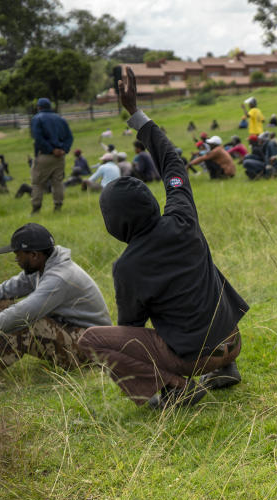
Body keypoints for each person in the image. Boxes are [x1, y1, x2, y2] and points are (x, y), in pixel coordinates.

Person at [79, 67, 248, 410]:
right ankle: (226, 365)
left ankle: (176, 388)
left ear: (115, 223)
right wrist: (135, 113)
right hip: (233, 338)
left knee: (90, 339)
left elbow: (131, 330)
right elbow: (173, 162)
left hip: (193, 359)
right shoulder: (182, 216)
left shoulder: (127, 266)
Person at [0, 223, 111, 370]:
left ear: (34, 255)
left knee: (27, 323)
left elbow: (23, 313)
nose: (17, 260)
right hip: (71, 331)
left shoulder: (59, 278)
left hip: (94, 348)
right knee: (3, 303)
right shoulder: (41, 266)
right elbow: (8, 289)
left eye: (18, 255)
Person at [29, 97, 73, 215]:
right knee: (57, 182)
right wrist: (64, 149)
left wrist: (51, 149)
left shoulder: (37, 118)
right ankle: (58, 207)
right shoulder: (60, 119)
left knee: (37, 183)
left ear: (39, 107)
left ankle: (36, 209)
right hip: (60, 157)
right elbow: (70, 137)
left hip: (44, 155)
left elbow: (38, 138)